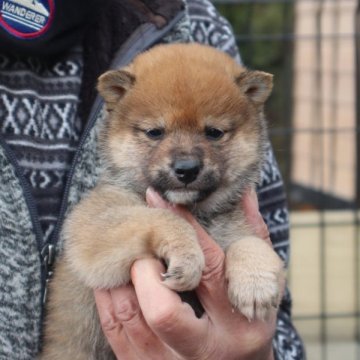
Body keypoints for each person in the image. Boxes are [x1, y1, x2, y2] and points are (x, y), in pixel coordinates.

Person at [0, 0, 305, 359]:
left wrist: (252, 274)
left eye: (215, 133)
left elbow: (273, 310)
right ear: (117, 103)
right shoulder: (115, 200)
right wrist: (166, 234)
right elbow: (90, 244)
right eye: (155, 133)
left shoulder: (194, 22)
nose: (187, 160)